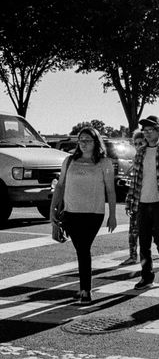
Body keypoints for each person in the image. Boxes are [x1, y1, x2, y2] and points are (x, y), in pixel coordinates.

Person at [50, 126, 117, 304]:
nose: (84, 144)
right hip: (71, 212)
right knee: (81, 250)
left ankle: (85, 290)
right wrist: (53, 211)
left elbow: (110, 190)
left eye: (88, 140)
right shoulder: (69, 161)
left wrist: (113, 215)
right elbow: (60, 186)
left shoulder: (104, 163)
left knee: (83, 249)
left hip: (94, 213)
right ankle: (84, 289)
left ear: (96, 142)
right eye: (81, 140)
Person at [126, 115, 159, 289]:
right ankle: (146, 276)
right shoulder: (141, 152)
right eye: (145, 131)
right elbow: (135, 179)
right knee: (144, 243)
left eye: (151, 131)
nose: (147, 134)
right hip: (142, 202)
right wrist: (130, 200)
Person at [122, 130, 146, 265]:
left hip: (149, 202)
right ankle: (132, 256)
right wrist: (128, 202)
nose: (138, 146)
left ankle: (149, 257)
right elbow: (132, 184)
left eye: (140, 143)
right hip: (136, 202)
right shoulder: (135, 159)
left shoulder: (150, 158)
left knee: (150, 234)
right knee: (133, 232)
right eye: (135, 144)